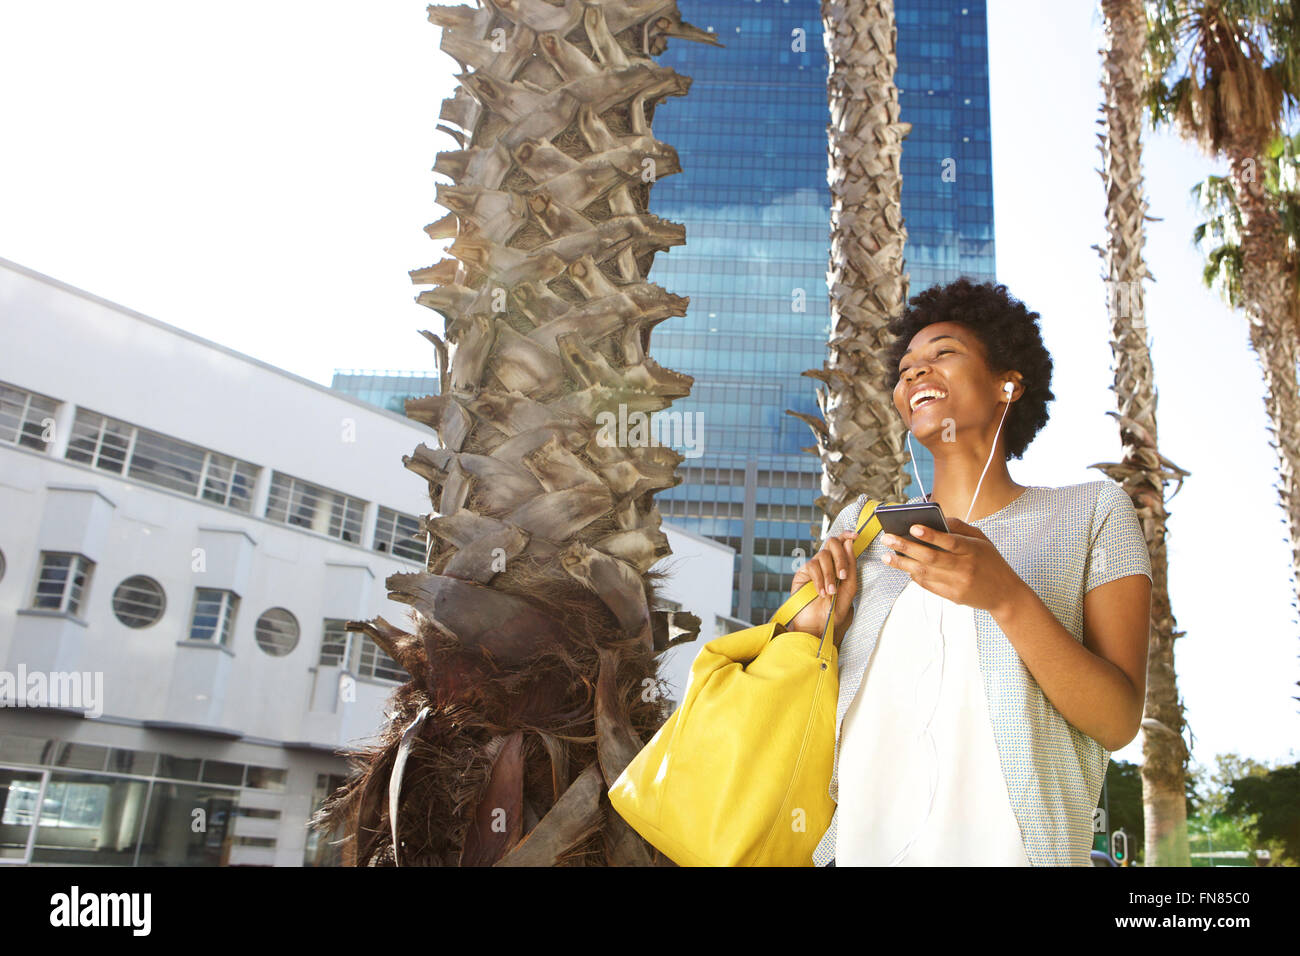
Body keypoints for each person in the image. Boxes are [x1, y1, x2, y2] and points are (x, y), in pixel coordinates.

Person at [784, 278, 1153, 866]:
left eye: (942, 353)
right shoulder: (863, 527)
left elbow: (1116, 720)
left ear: (1008, 384)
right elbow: (808, 711)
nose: (913, 373)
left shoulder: (1091, 512)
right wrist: (811, 624)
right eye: (905, 368)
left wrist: (1007, 597)